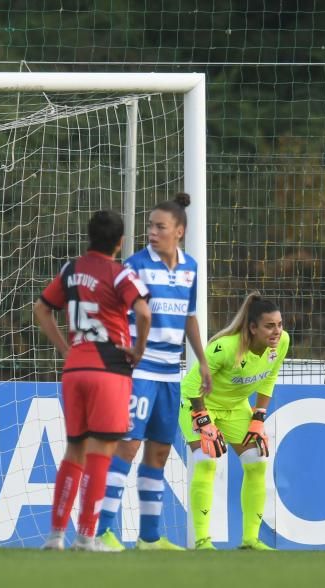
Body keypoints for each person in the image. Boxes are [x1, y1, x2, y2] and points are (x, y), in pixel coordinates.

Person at [96, 193, 211, 551]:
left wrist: (202, 362)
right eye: (150, 225)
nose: (152, 232)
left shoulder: (190, 267)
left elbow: (189, 317)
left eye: (160, 226)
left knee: (158, 453)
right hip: (139, 371)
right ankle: (102, 532)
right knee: (127, 447)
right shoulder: (134, 266)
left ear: (180, 230)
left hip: (169, 374)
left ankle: (149, 538)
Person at [35, 209, 151, 551]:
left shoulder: (71, 270)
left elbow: (41, 308)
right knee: (101, 452)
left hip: (75, 369)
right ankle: (86, 536)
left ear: (89, 236)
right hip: (109, 369)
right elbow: (143, 312)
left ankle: (56, 536)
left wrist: (65, 348)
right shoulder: (120, 273)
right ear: (120, 242)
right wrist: (138, 350)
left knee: (74, 450)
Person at [181, 292, 289, 551]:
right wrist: (204, 422)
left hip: (235, 408)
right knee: (206, 461)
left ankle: (250, 540)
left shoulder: (282, 342)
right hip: (198, 404)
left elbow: (269, 379)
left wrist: (258, 419)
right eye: (269, 326)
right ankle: (202, 541)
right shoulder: (226, 348)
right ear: (252, 328)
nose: (276, 331)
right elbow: (192, 385)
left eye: (279, 324)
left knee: (257, 462)